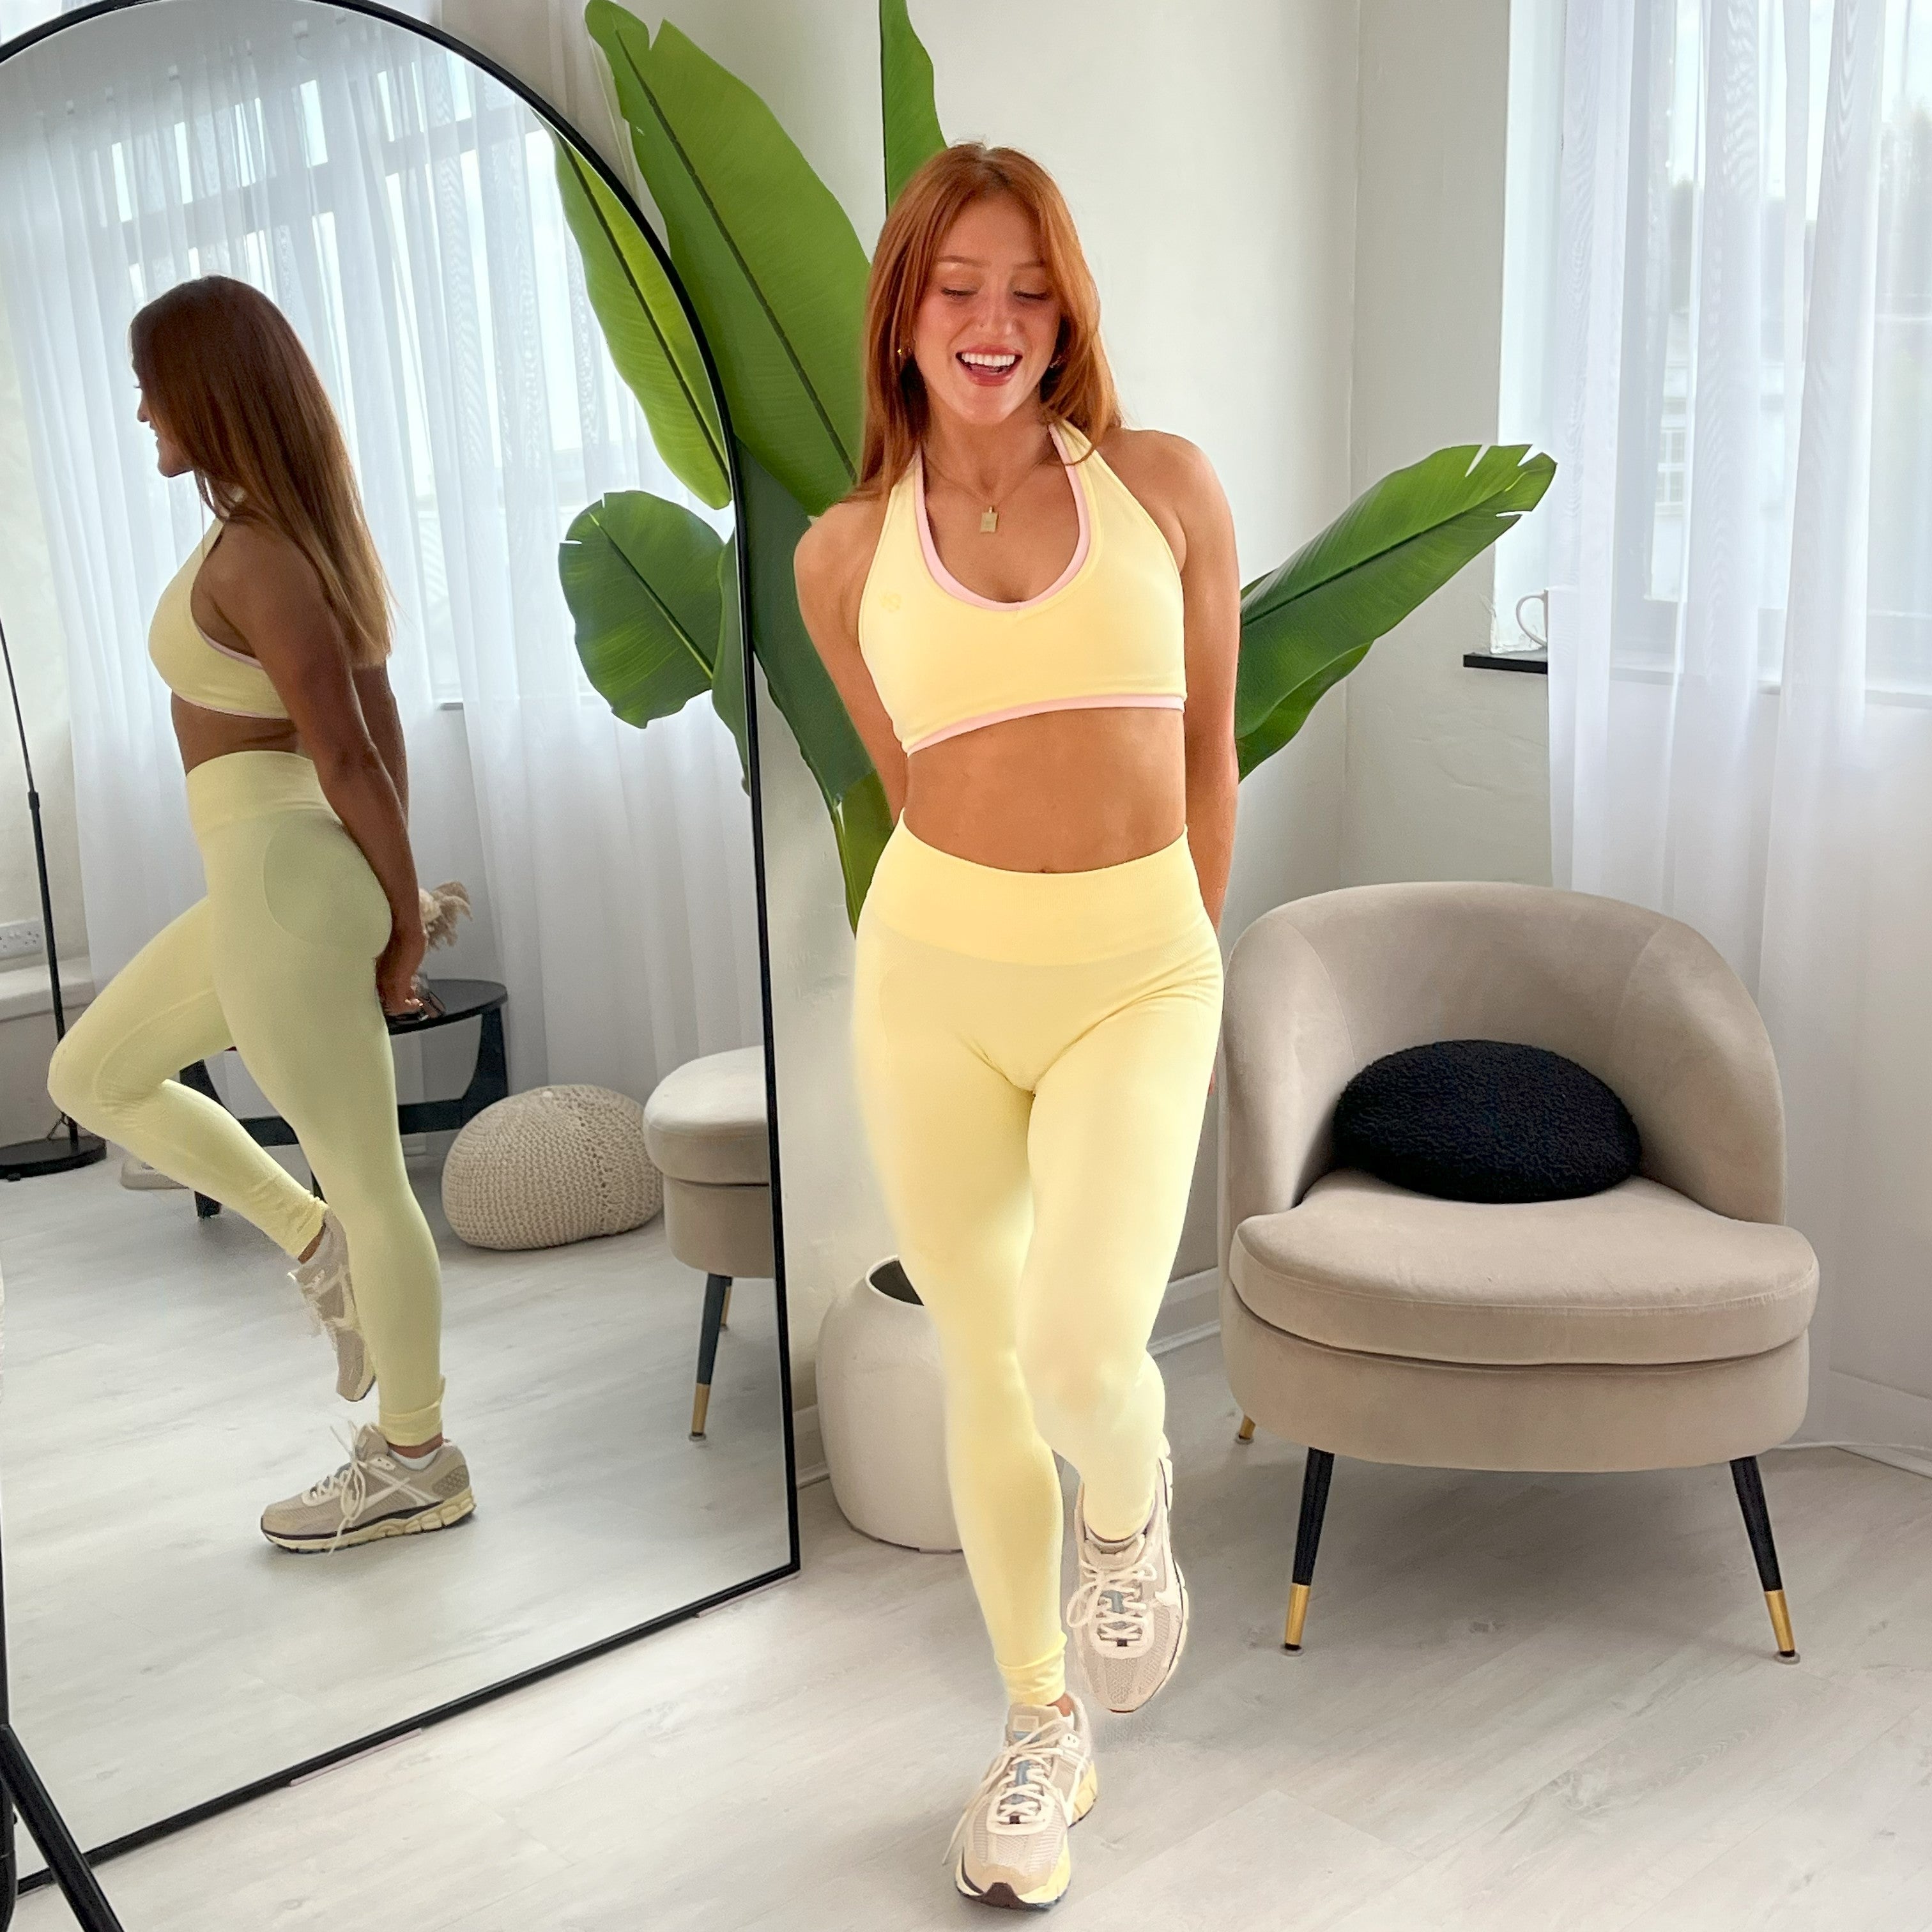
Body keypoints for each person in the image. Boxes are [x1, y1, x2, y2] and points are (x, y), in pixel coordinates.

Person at [794, 145, 1238, 1910]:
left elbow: (1207, 760)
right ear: (902, 313)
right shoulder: (846, 556)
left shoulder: (1164, 490)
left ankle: (1128, 1517)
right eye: (959, 286)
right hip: (936, 978)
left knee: (1077, 1355)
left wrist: (1176, 944)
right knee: (980, 1361)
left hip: (1138, 970)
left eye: (1031, 289)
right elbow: (913, 786)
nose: (995, 321)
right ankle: (1042, 1729)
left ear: (1070, 315)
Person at [47, 275, 473, 1554]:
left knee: (374, 1182)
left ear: (207, 392)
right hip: (272, 884)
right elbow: (378, 734)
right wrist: (391, 899)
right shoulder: (287, 537)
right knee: (92, 1074)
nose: (141, 413)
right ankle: (310, 1239)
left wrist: (402, 921)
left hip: (285, 884)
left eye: (152, 388)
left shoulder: (260, 556)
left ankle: (416, 1458)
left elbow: (349, 755)